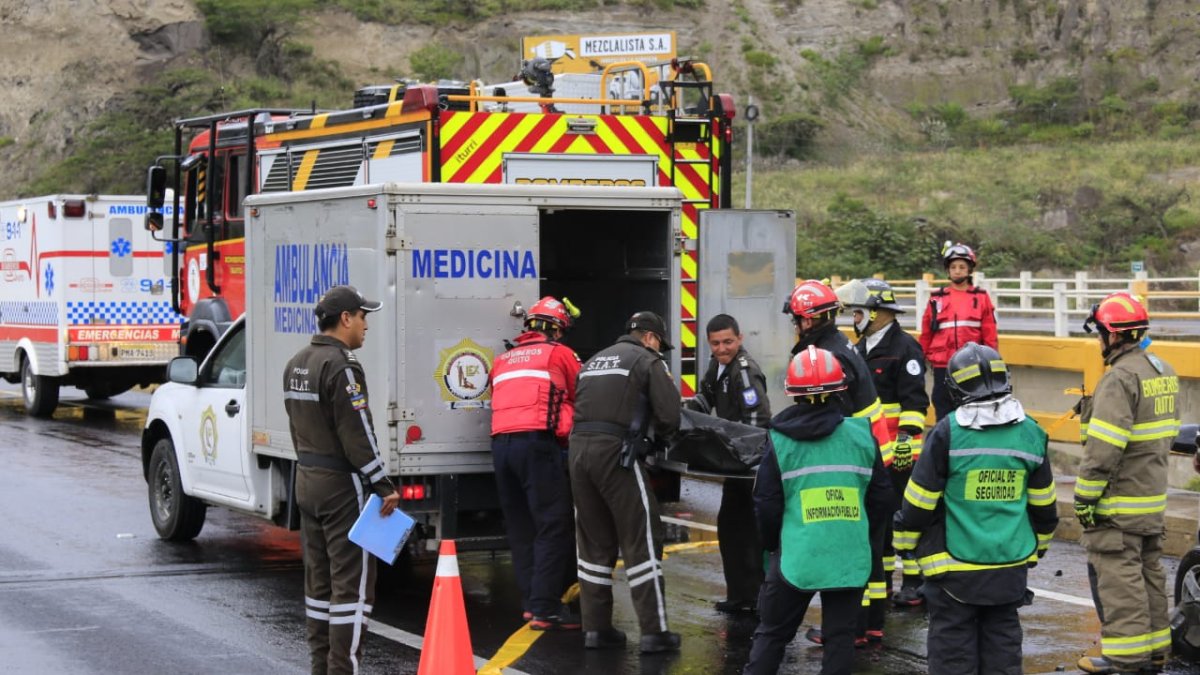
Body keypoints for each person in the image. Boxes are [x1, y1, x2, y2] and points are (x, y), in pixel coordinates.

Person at [893, 342, 1058, 675]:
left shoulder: (948, 432)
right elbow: (1044, 508)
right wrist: (1035, 551)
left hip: (953, 573)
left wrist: (904, 543)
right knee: (1003, 651)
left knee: (953, 656)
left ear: (955, 390)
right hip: (1009, 570)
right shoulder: (1032, 433)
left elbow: (919, 504)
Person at [743, 346, 893, 675]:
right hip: (848, 557)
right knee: (840, 639)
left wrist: (773, 545)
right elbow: (882, 499)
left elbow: (766, 504)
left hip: (796, 558)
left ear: (793, 393)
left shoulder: (780, 442)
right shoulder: (862, 436)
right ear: (840, 389)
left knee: (773, 634)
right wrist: (858, 534)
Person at [283, 285, 400, 675]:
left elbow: (297, 428)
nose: (367, 325)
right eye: (363, 317)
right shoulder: (342, 366)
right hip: (341, 488)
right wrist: (382, 484)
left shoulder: (296, 363)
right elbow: (358, 433)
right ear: (346, 318)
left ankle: (321, 668)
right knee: (352, 589)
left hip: (307, 481)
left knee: (319, 588)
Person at [1074, 292, 1180, 675]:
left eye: (1100, 333)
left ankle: (1125, 659)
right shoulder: (1161, 370)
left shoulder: (1119, 378)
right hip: (1150, 498)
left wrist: (1085, 497)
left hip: (1119, 503)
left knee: (1121, 581)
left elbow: (1104, 448)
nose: (1099, 340)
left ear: (1114, 335)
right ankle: (1155, 652)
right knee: (1149, 575)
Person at [784, 279, 892, 645]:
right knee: (870, 546)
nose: (795, 325)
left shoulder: (828, 357)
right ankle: (870, 623)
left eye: (796, 319)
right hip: (873, 455)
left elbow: (832, 421)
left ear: (808, 320)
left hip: (857, 462)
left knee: (851, 546)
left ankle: (851, 628)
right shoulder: (839, 344)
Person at [570, 310, 682, 654]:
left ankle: (596, 629)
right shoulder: (647, 360)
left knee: (593, 544)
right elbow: (669, 414)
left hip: (577, 453)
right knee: (642, 536)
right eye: (660, 344)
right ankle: (654, 632)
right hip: (615, 454)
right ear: (650, 337)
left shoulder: (593, 361)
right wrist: (661, 440)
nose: (659, 349)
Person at [836, 278, 931, 607]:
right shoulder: (860, 349)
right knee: (880, 517)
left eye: (858, 313)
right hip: (872, 450)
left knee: (904, 517)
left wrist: (905, 441)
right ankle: (884, 579)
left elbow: (915, 403)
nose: (854, 319)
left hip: (901, 451)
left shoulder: (905, 348)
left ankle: (914, 581)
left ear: (876, 312)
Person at [490, 296, 582, 629]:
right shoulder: (560, 354)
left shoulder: (502, 360)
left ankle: (531, 602)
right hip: (537, 446)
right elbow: (582, 391)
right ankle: (546, 608)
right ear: (556, 329)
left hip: (501, 447)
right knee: (553, 525)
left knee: (521, 527)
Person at [688, 313, 771, 614]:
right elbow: (704, 398)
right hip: (734, 465)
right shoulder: (717, 366)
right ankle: (739, 595)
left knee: (747, 533)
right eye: (716, 343)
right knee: (730, 529)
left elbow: (757, 421)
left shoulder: (744, 372)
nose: (722, 348)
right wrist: (683, 416)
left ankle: (754, 599)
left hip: (748, 469)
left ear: (740, 339)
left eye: (728, 342)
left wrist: (742, 458)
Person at [919, 242, 998, 420]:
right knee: (942, 405)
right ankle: (944, 438)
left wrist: (993, 362)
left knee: (972, 407)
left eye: (962, 267)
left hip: (972, 364)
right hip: (942, 366)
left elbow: (990, 333)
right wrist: (919, 358)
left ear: (969, 270)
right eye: (953, 267)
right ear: (948, 270)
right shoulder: (937, 298)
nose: (957, 271)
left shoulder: (980, 297)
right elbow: (926, 333)